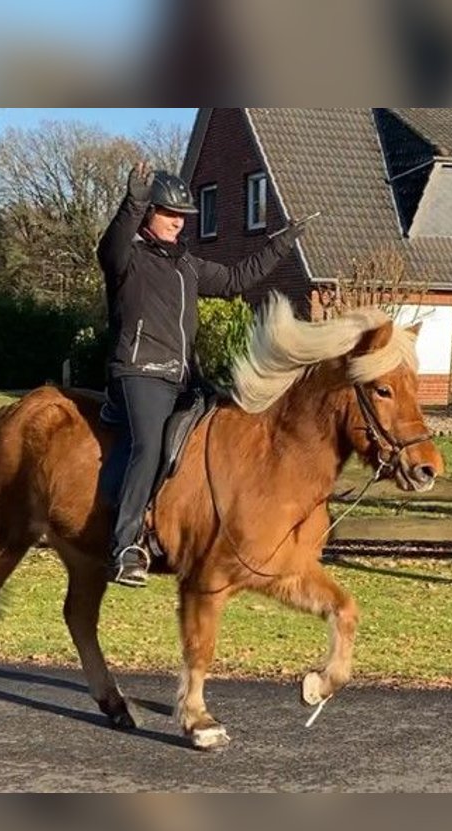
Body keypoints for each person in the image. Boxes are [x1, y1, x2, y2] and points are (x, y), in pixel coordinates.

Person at [96, 161, 308, 587]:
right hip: (139, 371)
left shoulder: (188, 265)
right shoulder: (128, 260)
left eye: (182, 216)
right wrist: (133, 202)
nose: (177, 222)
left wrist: (282, 244)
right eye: (168, 213)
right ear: (149, 214)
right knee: (149, 445)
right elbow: (110, 246)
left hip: (183, 377)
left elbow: (235, 280)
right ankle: (126, 547)